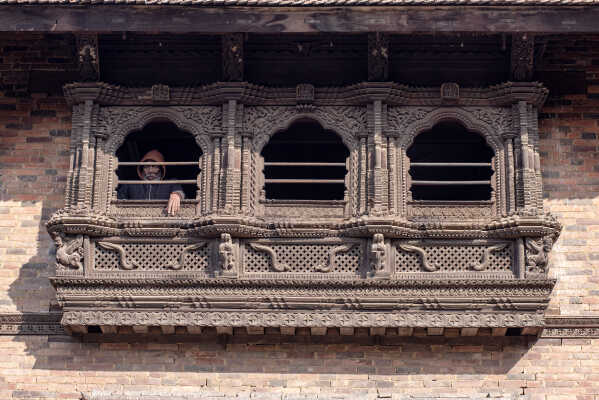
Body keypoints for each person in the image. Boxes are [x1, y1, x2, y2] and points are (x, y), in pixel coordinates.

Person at [117, 149, 184, 215]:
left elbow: (178, 191)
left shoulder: (170, 183)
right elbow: (119, 200)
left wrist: (176, 195)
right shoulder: (131, 184)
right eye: (146, 167)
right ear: (142, 169)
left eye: (154, 166)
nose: (150, 170)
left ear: (161, 168)